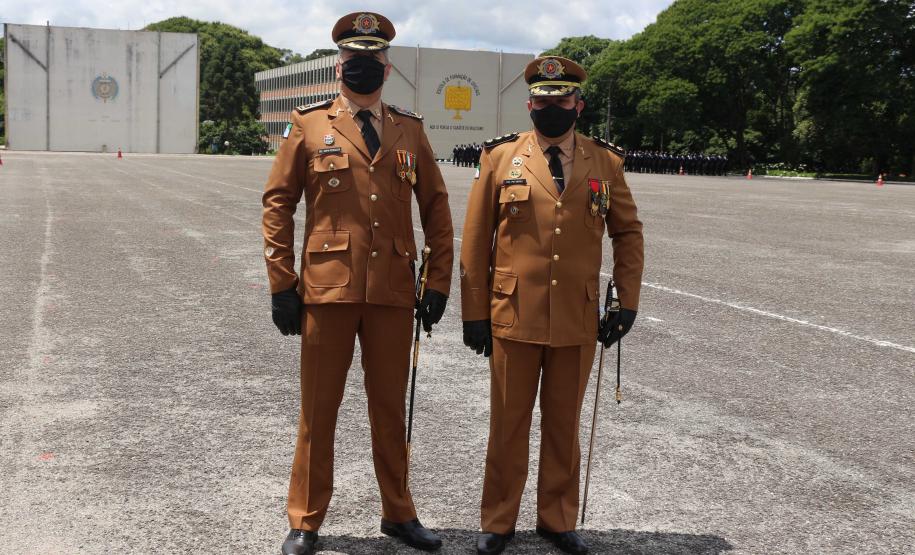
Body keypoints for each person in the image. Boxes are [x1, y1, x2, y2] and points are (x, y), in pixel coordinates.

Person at [261, 11, 454, 555]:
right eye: (353, 61)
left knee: (389, 411)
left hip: (393, 292)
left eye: (372, 61)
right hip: (326, 291)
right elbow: (278, 203)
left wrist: (437, 280)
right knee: (319, 411)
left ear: (385, 68)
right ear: (339, 66)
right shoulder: (310, 125)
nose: (362, 69)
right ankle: (305, 520)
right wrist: (282, 282)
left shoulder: (409, 130)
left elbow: (436, 207)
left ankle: (399, 514)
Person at [459, 56, 644, 554]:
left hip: (577, 317)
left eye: (561, 100)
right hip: (512, 314)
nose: (551, 107)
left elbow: (627, 232)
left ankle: (556, 519)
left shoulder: (605, 162)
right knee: (507, 424)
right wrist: (473, 312)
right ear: (529, 104)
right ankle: (498, 521)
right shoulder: (500, 158)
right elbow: (476, 240)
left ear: (578, 105)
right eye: (542, 100)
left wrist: (625, 302)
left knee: (563, 425)